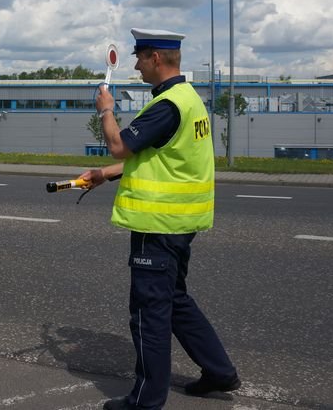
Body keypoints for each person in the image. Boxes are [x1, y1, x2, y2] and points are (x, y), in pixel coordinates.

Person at [79, 28, 240, 410]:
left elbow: (120, 143)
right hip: (180, 224)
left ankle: (145, 401)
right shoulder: (189, 100)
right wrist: (106, 174)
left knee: (149, 313)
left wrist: (105, 107)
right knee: (176, 300)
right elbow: (158, 158)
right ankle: (219, 372)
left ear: (155, 58)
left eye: (139, 57)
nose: (135, 64)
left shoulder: (167, 105)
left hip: (158, 226)